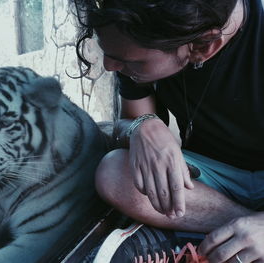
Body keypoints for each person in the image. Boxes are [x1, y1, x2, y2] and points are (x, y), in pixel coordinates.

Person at [72, 0, 264, 262]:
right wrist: (142, 126)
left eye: (134, 62)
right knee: (114, 173)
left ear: (204, 46)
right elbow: (129, 122)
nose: (108, 66)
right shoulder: (137, 25)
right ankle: (240, 231)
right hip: (209, 183)